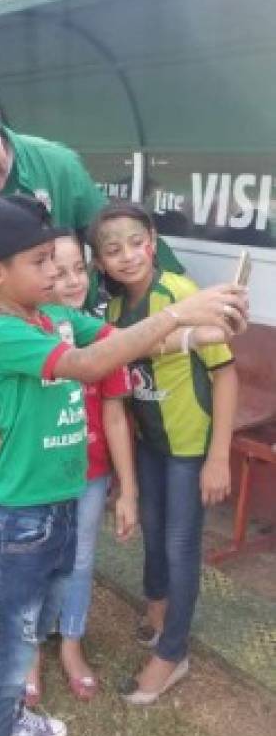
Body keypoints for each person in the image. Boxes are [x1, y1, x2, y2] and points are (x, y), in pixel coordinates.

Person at [0, 193, 246, 736]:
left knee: (43, 614)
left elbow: (130, 343)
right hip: (24, 517)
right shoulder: (0, 334)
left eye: (57, 260)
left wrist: (197, 331)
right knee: (10, 649)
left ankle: (21, 701)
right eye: (40, 261)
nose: (54, 273)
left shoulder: (56, 317)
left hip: (61, 506)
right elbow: (92, 366)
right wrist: (179, 313)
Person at [0, 66, 184, 638]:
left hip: (59, 342)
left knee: (61, 468)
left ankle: (54, 593)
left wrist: (179, 296)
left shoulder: (56, 166)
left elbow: (114, 236)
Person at [88, 201, 238, 704]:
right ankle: (158, 613)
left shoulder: (181, 293)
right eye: (113, 250)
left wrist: (218, 456)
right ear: (101, 263)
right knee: (153, 534)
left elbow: (225, 373)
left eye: (136, 242)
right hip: (150, 443)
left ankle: (173, 653)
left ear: (152, 241)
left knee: (179, 546)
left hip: (189, 447)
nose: (128, 256)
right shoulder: (112, 310)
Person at [25, 231, 137, 706]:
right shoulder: (24, 333)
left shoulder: (99, 337)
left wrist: (127, 489)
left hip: (90, 476)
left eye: (79, 270)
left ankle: (71, 644)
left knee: (79, 560)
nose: (70, 281)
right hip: (37, 478)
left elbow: (115, 417)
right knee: (35, 563)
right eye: (58, 269)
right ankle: (29, 653)